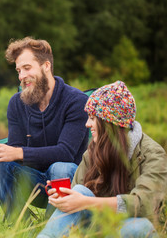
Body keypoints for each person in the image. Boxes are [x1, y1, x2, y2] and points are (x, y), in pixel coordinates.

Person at [38, 81, 167, 238]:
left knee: (137, 227)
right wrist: (65, 198)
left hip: (132, 227)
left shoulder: (153, 155)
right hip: (99, 225)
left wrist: (85, 202)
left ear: (109, 122)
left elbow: (145, 204)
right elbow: (78, 192)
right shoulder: (94, 149)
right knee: (79, 191)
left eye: (92, 118)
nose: (87, 124)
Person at [0, 37, 89, 221]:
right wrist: (1, 154)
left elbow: (66, 153)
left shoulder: (76, 101)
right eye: (18, 71)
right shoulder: (17, 103)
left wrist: (17, 152)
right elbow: (14, 152)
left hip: (69, 182)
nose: (21, 76)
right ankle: (21, 227)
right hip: (33, 182)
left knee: (60, 168)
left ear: (46, 66)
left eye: (27, 68)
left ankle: (53, 226)